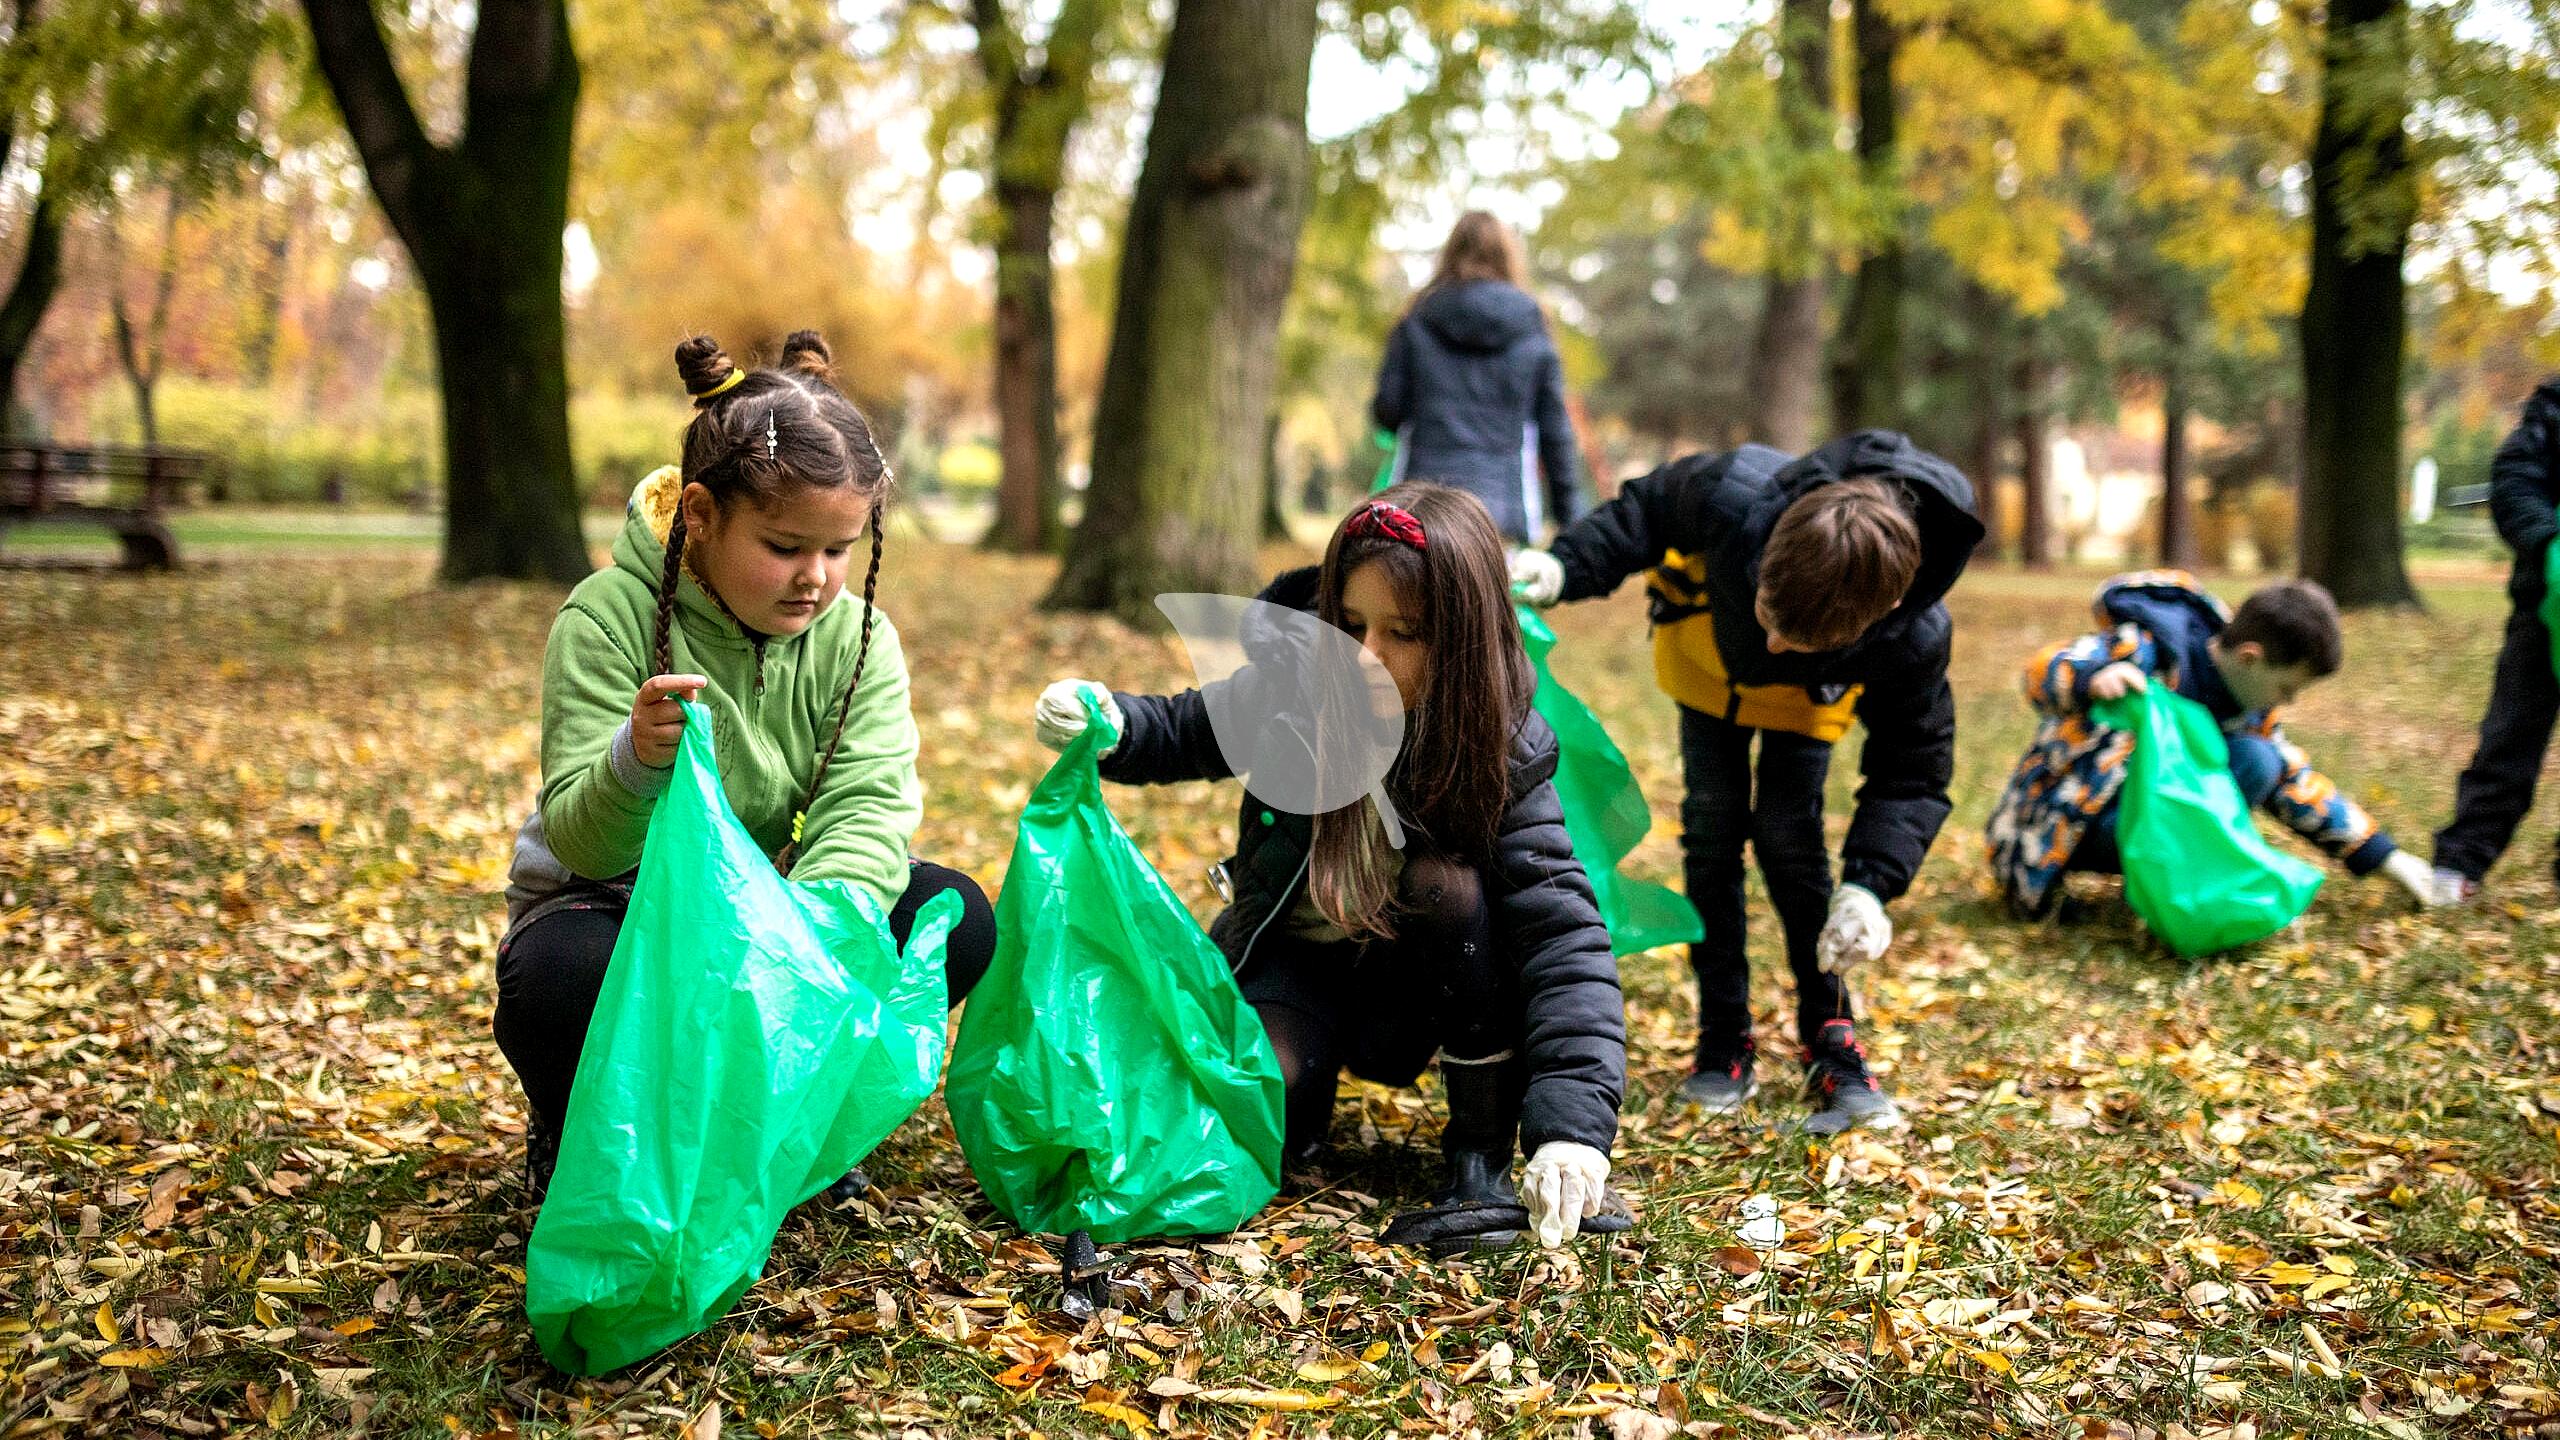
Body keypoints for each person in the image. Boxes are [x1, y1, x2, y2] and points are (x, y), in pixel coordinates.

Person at [1034, 484, 1627, 1253]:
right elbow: (1184, 728)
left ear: (1462, 642)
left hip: (1426, 984)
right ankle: (1300, 1112)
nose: (1366, 658)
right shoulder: (1296, 689)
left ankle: (1476, 1148)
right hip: (1302, 957)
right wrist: (1112, 723)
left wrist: (1574, 1129)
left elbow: (1565, 942)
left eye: (1404, 633)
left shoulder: (1498, 747)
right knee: (1269, 1088)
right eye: (1349, 626)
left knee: (1448, 887)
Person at [496, 331, 997, 1198]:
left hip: (786, 902)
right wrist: (632, 763)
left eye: (839, 551)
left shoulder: (859, 638)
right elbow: (581, 837)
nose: (816, 578)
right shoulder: (604, 619)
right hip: (625, 903)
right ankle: (591, 1131)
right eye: (785, 547)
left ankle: (787, 1126)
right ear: (699, 515)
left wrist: (796, 938)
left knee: (952, 919)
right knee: (557, 981)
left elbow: (868, 808)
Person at [1511, 431, 1984, 1133]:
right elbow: (1643, 514)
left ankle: (1832, 1036)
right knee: (1711, 833)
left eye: (1794, 638)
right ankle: (1722, 1037)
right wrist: (1563, 566)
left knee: (1791, 843)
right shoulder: (1735, 494)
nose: (1773, 644)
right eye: (1769, 612)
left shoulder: (1909, 636)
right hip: (1709, 677)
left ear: (1878, 617)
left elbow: (1912, 769)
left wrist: (1870, 887)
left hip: (1807, 705)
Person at [1988, 572, 2441, 920]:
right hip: (2068, 826)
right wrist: (2090, 680)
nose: (2286, 702)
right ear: (2249, 658)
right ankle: (2164, 887)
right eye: (2285, 688)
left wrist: (2384, 856)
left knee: (2260, 761)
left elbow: (2293, 782)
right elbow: (2039, 672)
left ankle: (2181, 893)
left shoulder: (2249, 712)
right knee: (2246, 762)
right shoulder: (2146, 648)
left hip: (2148, 823)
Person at [1370, 211, 1585, 544]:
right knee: (1492, 596)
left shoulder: (1416, 318)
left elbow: (1388, 412)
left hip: (1418, 510)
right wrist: (1572, 524)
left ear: (1450, 254)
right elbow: (1556, 434)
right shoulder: (1534, 326)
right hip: (1500, 513)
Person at [2433, 380, 2560, 902]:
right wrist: (2549, 540)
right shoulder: (2551, 414)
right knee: (2510, 738)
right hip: (2545, 608)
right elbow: (2513, 483)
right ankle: (2461, 863)